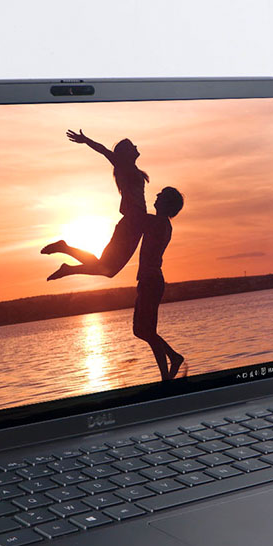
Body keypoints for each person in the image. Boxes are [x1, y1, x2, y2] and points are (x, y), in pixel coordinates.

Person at [42, 130, 149, 280]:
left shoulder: (132, 170)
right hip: (131, 223)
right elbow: (104, 150)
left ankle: (66, 261)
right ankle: (66, 258)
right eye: (132, 146)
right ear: (125, 154)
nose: (136, 147)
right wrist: (86, 140)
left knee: (106, 268)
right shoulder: (124, 167)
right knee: (107, 268)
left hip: (135, 223)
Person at [132, 187, 185, 381]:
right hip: (148, 280)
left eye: (161, 195)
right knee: (139, 330)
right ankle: (174, 357)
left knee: (146, 330)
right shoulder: (160, 223)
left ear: (167, 204)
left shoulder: (159, 223)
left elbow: (134, 217)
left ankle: (166, 378)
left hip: (151, 281)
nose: (156, 196)